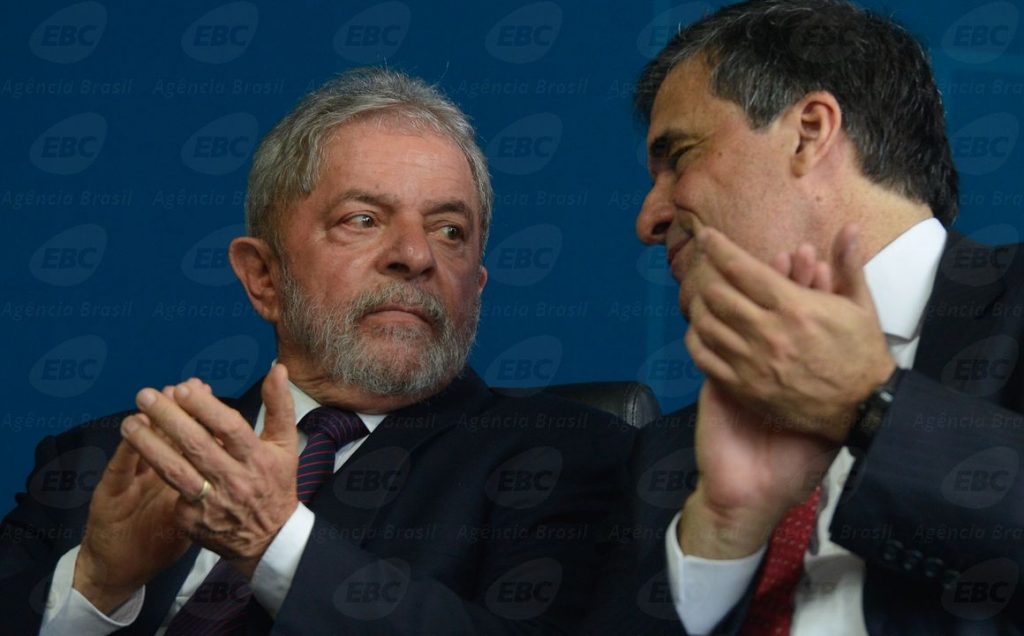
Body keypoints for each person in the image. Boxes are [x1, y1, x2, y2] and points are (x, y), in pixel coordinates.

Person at [1, 67, 634, 635]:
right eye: (363, 219)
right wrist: (97, 588)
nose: (415, 255)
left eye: (450, 230)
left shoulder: (567, 457)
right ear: (264, 277)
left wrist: (275, 541)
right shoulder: (98, 462)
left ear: (478, 286)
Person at [586, 1, 1024, 634]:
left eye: (679, 155)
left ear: (810, 131)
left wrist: (869, 407)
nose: (648, 219)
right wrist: (723, 533)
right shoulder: (672, 453)